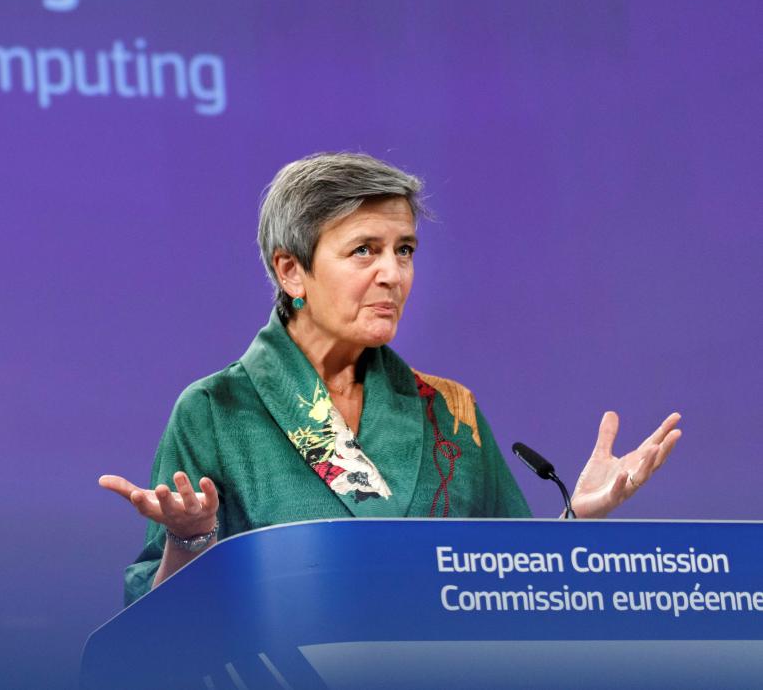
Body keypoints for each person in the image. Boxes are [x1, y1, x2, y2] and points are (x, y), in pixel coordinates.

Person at [99, 152, 682, 606]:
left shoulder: (448, 410)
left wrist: (577, 518)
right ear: (291, 271)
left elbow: (509, 587)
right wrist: (191, 538)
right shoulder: (217, 409)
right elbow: (159, 623)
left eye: (404, 250)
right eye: (364, 251)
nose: (393, 274)